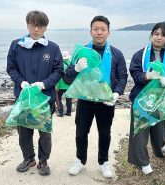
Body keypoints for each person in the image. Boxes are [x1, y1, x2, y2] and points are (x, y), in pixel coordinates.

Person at [64, 15, 128, 178]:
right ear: (91, 31)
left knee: (105, 133)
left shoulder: (116, 54)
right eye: (96, 29)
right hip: (85, 100)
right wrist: (77, 68)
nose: (99, 32)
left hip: (107, 101)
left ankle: (103, 162)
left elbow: (122, 76)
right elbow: (67, 78)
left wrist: (117, 92)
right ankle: (80, 160)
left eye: (103, 29)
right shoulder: (82, 52)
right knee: (80, 132)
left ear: (108, 32)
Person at [6, 10, 63, 176]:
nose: (36, 29)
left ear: (45, 27)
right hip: (23, 97)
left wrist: (43, 84)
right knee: (23, 130)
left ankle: (43, 161)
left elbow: (58, 70)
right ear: (27, 24)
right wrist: (20, 81)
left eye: (40, 25)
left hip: (45, 98)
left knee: (44, 131)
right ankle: (29, 158)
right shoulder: (17, 45)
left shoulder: (52, 48)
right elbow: (11, 68)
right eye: (32, 24)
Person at [128, 22, 165, 175]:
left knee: (161, 125)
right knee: (140, 130)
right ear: (151, 35)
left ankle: (160, 144)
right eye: (157, 34)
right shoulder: (140, 54)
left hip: (163, 99)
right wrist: (147, 76)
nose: (159, 37)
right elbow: (134, 72)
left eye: (163, 35)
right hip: (142, 99)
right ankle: (143, 162)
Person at [56, 51, 72, 117]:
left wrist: (57, 85)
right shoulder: (70, 64)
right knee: (69, 99)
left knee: (59, 99)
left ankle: (61, 113)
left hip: (61, 85)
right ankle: (69, 112)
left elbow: (58, 76)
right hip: (69, 85)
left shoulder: (60, 65)